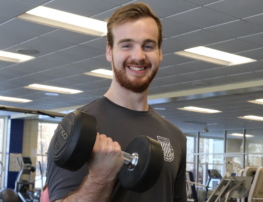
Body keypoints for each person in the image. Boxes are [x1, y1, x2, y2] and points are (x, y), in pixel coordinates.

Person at [46, 2, 187, 202]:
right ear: (109, 51)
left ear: (160, 53)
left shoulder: (175, 136)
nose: (138, 56)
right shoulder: (76, 130)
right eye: (127, 45)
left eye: (148, 46)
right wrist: (100, 176)